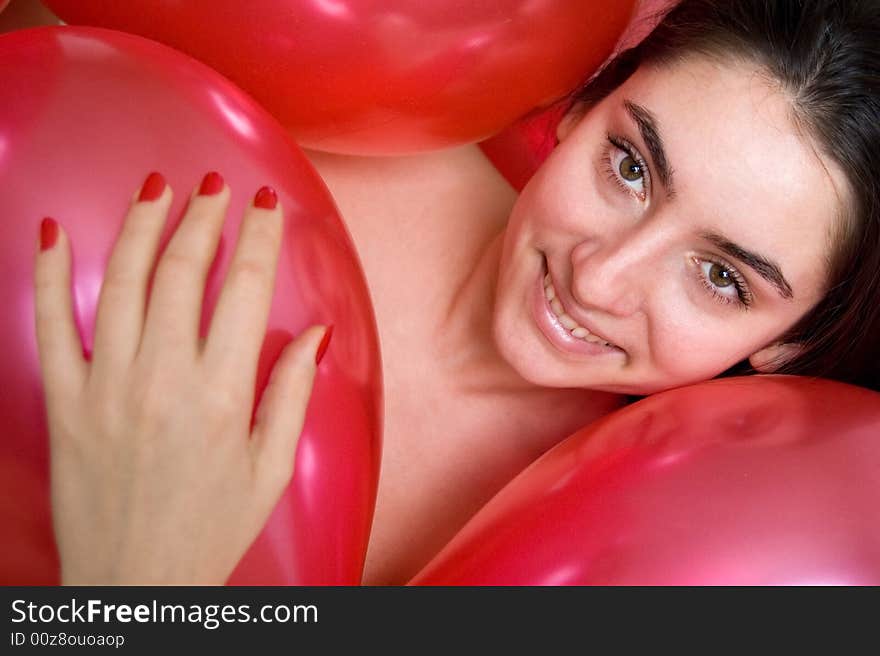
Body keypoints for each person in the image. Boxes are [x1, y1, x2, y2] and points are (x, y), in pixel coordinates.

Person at [32, 0, 880, 584]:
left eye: (722, 277)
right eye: (630, 166)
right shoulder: (292, 121)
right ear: (585, 107)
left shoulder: (605, 560)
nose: (598, 277)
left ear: (794, 340)